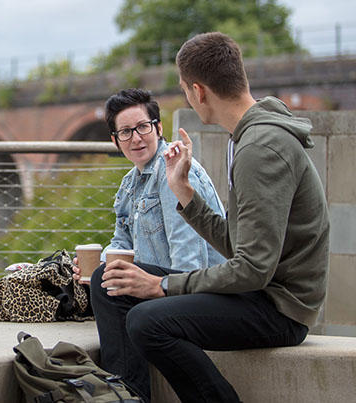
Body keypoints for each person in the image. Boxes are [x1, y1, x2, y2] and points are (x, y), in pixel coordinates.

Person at [99, 32, 329, 402]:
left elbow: (253, 269)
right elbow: (240, 244)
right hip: (258, 291)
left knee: (147, 321)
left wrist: (161, 287)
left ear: (198, 91)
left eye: (185, 90)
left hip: (279, 308)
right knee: (107, 284)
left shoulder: (261, 148)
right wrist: (184, 193)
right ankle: (127, 398)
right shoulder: (246, 138)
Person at [73, 88, 226, 401]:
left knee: (107, 282)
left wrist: (120, 277)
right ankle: (123, 392)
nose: (136, 138)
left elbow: (191, 264)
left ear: (158, 128)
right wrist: (93, 264)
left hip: (197, 289)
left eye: (143, 127)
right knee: (92, 277)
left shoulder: (174, 173)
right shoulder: (130, 182)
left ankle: (125, 394)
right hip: (161, 284)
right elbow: (121, 243)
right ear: (115, 140)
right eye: (126, 132)